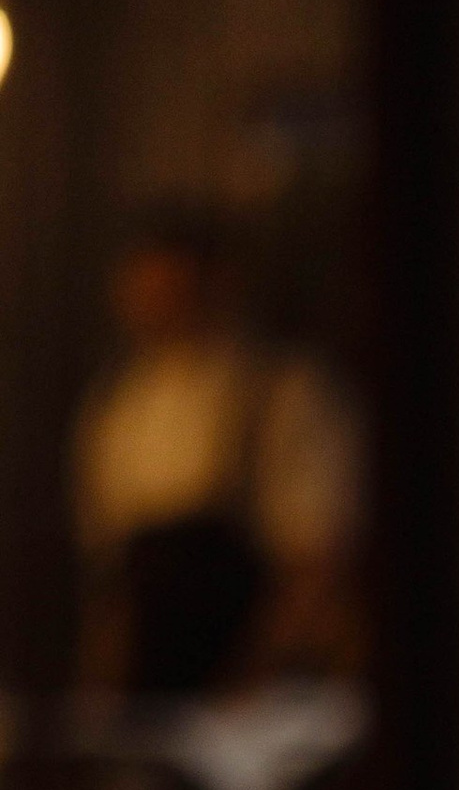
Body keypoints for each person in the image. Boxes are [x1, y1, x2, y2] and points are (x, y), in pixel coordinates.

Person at [72, 208, 361, 705]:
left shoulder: (283, 393)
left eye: (171, 286)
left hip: (258, 687)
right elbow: (113, 582)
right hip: (152, 691)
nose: (153, 302)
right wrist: (103, 697)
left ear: (219, 283)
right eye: (143, 288)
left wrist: (248, 687)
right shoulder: (119, 409)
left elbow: (314, 564)